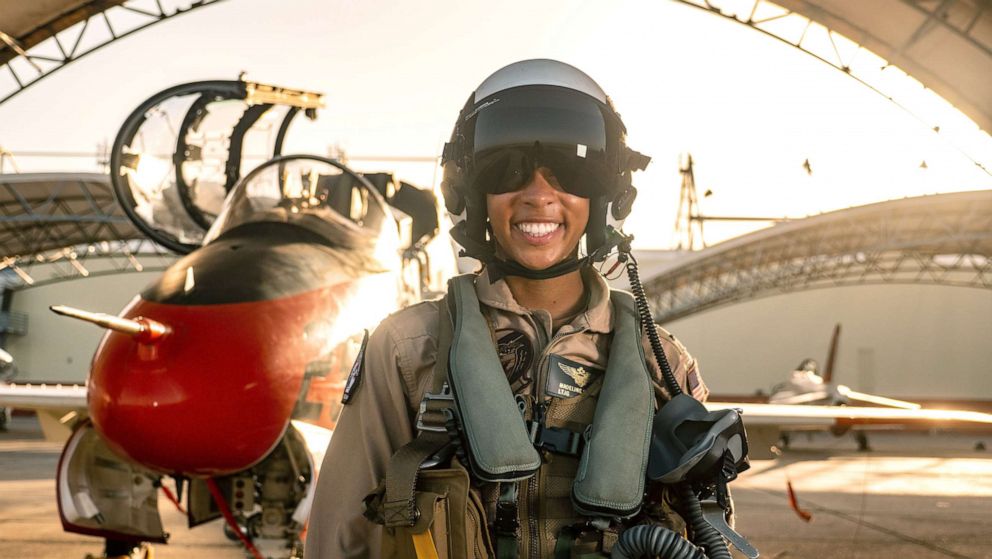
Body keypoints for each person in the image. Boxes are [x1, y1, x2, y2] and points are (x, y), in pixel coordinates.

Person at [306, 59, 712, 558]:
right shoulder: (410, 350)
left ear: (607, 194)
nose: (539, 195)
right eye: (507, 168)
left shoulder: (661, 364)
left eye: (570, 169)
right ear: (470, 192)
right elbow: (340, 537)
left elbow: (707, 531)